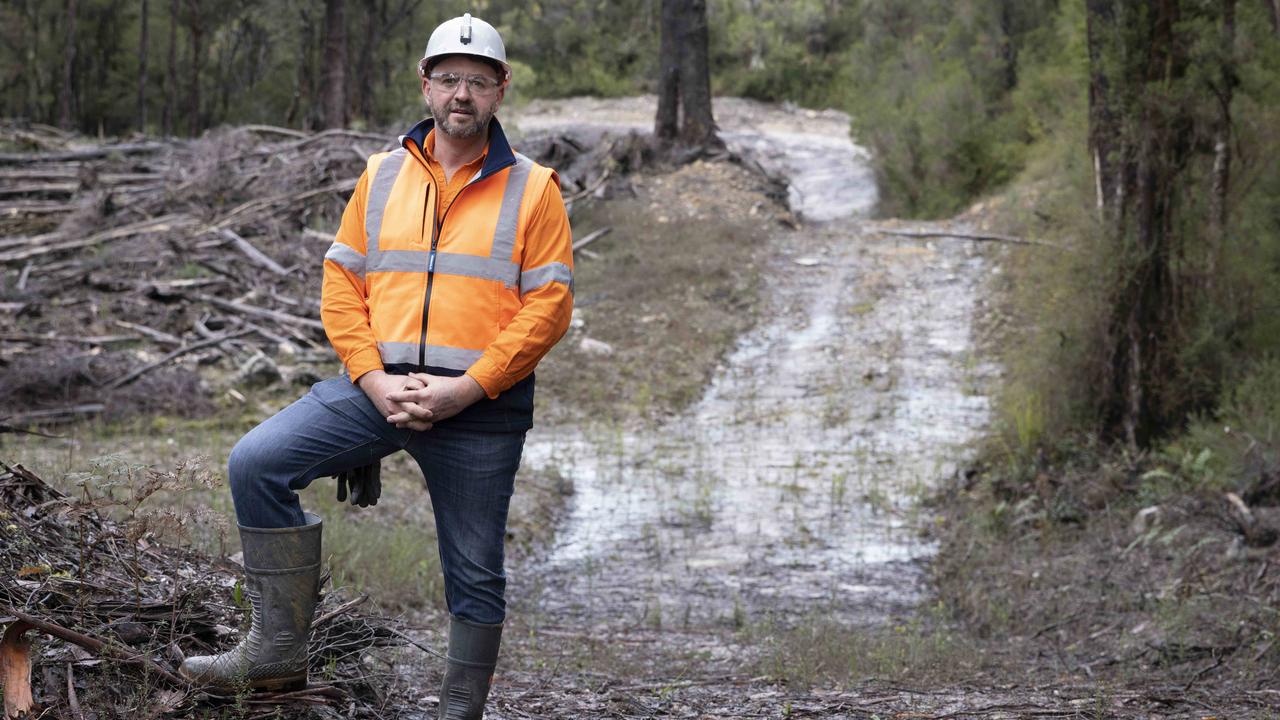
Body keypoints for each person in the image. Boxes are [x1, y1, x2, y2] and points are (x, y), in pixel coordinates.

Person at [178, 14, 573, 719]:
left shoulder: (534, 188)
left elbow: (549, 306)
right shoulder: (382, 175)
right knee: (255, 463)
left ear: (501, 91)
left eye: (478, 82)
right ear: (424, 84)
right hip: (375, 390)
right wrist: (372, 378)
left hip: (479, 408)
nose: (462, 94)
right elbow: (343, 283)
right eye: (449, 79)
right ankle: (275, 651)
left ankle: (458, 710)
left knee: (476, 573)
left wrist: (468, 388)